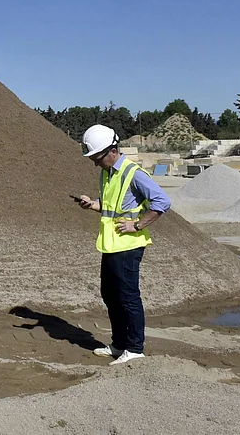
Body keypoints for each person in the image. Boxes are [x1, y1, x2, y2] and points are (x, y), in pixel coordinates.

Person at [74, 124, 170, 365]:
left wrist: (137, 225)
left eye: (97, 158)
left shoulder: (133, 173)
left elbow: (162, 201)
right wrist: (92, 204)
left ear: (113, 151)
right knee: (110, 295)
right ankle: (119, 344)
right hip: (110, 244)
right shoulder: (107, 173)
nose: (95, 164)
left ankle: (135, 349)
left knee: (128, 297)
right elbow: (111, 207)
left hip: (128, 245)